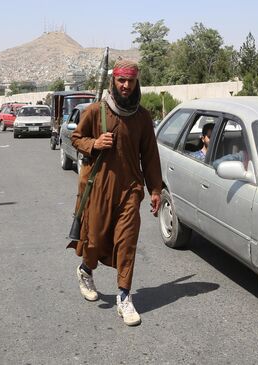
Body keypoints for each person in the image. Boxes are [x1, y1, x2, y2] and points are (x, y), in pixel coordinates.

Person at [68, 60, 163, 326]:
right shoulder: (96, 111)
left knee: (126, 242)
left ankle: (124, 296)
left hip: (131, 188)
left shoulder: (142, 117)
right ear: (114, 81)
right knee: (95, 240)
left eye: (130, 81)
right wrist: (94, 143)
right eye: (121, 80)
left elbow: (151, 157)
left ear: (136, 83)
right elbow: (75, 137)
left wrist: (155, 189)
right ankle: (86, 269)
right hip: (100, 186)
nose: (126, 86)